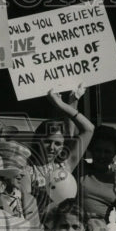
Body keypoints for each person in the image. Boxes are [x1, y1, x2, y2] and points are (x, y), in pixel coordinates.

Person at [28, 87, 94, 215]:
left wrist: (61, 104)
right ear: (38, 140)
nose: (52, 148)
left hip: (64, 228)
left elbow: (89, 129)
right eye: (47, 141)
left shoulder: (65, 164)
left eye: (57, 143)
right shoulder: (26, 167)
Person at [79, 125, 116, 231]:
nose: (102, 155)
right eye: (98, 150)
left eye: (107, 152)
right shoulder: (79, 168)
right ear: (91, 149)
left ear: (115, 153)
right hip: (73, 229)